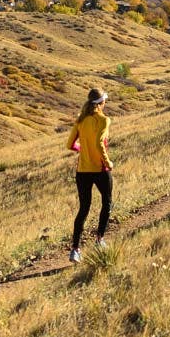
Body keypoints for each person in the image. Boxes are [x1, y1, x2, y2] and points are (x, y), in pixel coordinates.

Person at [66, 87, 113, 262]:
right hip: (100, 169)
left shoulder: (80, 121)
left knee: (84, 209)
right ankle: (99, 239)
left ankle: (75, 250)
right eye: (104, 100)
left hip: (82, 171)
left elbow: (70, 144)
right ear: (101, 103)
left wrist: (82, 149)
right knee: (107, 202)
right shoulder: (104, 120)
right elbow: (100, 143)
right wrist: (108, 162)